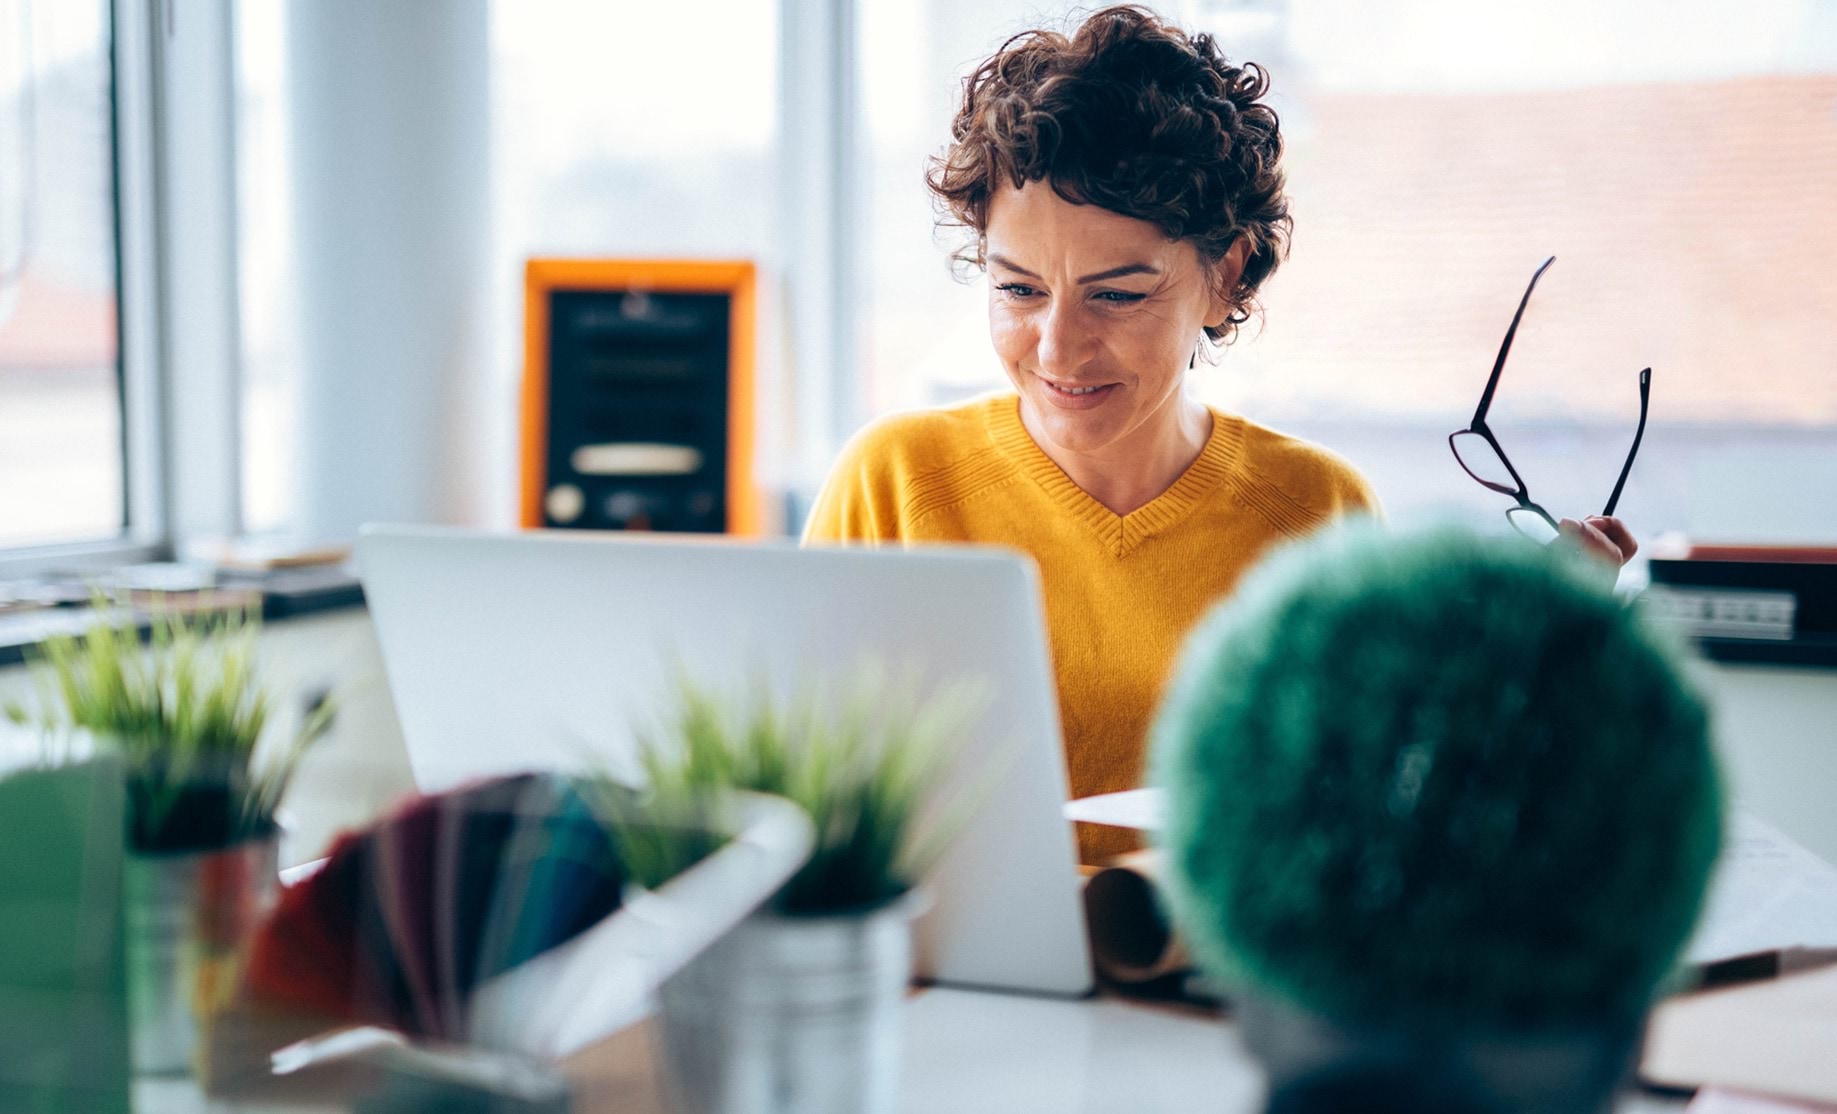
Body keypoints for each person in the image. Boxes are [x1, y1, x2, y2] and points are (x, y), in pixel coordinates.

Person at [801, 5, 1636, 862]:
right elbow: (799, 802)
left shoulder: (1315, 511)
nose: (1057, 347)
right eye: (1017, 290)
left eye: (1116, 295)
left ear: (1225, 275)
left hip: (1207, 989)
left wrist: (1535, 649)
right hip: (946, 982)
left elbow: (1378, 817)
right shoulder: (894, 483)